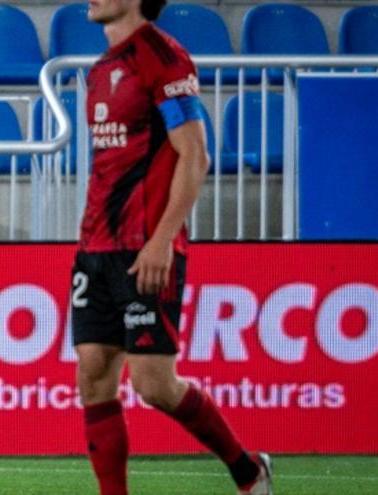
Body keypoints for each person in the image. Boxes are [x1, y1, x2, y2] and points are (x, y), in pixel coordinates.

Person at [72, 1, 272, 494]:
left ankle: (248, 470)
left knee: (153, 385)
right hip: (95, 247)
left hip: (147, 247)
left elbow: (195, 154)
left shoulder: (164, 57)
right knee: (93, 377)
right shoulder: (100, 68)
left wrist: (163, 240)